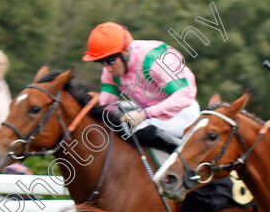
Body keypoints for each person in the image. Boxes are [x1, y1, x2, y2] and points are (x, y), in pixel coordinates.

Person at [83, 22, 200, 152]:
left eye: (110, 61)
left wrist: (145, 114)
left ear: (125, 52)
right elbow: (107, 106)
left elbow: (184, 96)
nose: (108, 69)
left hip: (182, 114)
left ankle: (186, 158)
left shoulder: (155, 60)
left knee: (141, 131)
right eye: (102, 62)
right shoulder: (112, 70)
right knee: (119, 133)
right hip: (151, 119)